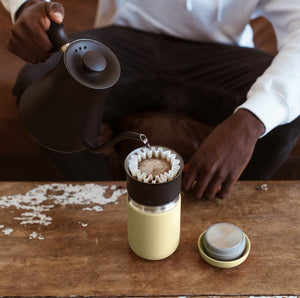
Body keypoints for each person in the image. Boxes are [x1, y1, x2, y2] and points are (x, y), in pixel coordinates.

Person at [1, 0, 300, 200]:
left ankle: (216, 210)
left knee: (282, 111)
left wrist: (251, 119)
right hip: (124, 39)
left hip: (216, 51)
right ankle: (101, 196)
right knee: (36, 84)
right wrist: (27, 6)